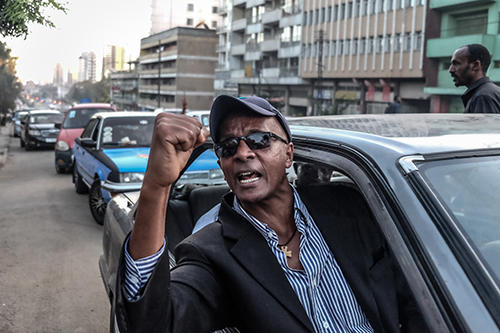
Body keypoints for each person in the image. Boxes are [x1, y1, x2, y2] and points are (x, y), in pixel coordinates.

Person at [114, 95, 426, 332]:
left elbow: (418, 297)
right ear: (222, 164)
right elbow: (154, 323)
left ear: (288, 153)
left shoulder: (352, 207)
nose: (243, 152)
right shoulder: (211, 251)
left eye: (260, 140)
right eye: (228, 146)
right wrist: (156, 185)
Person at [449, 44, 500, 113]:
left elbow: (485, 124)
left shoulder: (482, 97)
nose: (451, 70)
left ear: (475, 65)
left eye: (456, 63)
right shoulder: (490, 92)